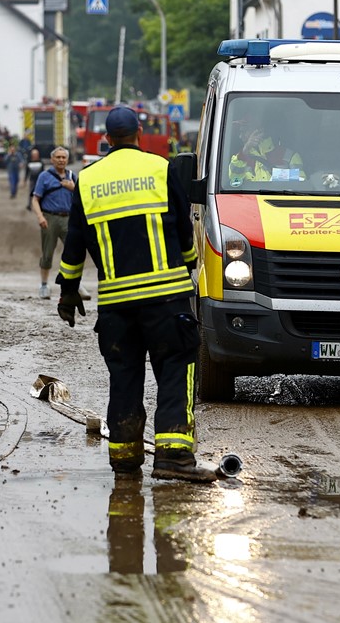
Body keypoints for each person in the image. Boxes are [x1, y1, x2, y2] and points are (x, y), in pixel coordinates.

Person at [55, 106, 212, 483]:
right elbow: (183, 230)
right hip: (167, 301)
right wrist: (190, 264)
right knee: (176, 370)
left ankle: (125, 461)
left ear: (108, 138)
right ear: (139, 132)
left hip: (116, 307)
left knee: (124, 379)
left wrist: (68, 291)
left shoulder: (88, 180)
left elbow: (74, 243)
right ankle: (174, 458)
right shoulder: (163, 169)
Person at [31, 146, 75, 299]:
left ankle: (73, 284)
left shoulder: (72, 176)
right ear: (52, 159)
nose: (61, 160)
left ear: (67, 160)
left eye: (64, 157)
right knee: (47, 253)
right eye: (58, 157)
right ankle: (44, 285)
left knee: (73, 253)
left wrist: (73, 188)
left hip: (68, 218)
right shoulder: (44, 176)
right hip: (50, 218)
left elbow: (80, 200)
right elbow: (35, 199)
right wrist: (40, 216)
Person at [227, 121, 305, 185]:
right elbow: (233, 180)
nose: (240, 136)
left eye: (244, 131)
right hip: (250, 202)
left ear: (259, 131)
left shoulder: (289, 155)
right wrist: (245, 150)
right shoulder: (240, 158)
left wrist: (278, 178)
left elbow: (301, 183)